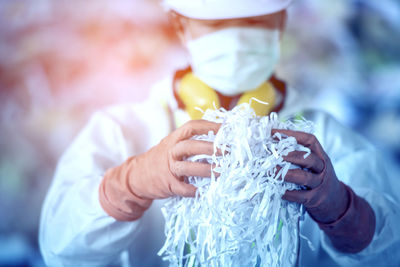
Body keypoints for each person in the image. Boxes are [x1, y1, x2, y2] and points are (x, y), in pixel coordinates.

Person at [39, 0, 400, 266]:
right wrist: (128, 184)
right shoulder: (121, 130)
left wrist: (343, 209)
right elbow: (58, 249)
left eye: (255, 21)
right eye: (214, 24)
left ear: (281, 21)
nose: (238, 39)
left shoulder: (323, 139)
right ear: (180, 25)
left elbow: (390, 254)